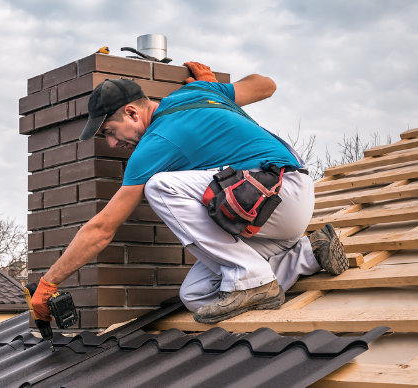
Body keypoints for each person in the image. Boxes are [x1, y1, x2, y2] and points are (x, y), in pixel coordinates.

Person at [30, 62, 348, 324]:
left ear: (131, 113)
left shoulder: (154, 144)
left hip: (277, 190)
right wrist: (218, 89)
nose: (113, 144)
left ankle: (253, 277)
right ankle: (309, 253)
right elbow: (266, 84)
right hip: (274, 212)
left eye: (110, 132)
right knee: (196, 295)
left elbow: (102, 229)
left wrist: (49, 282)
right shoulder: (200, 90)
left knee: (160, 186)